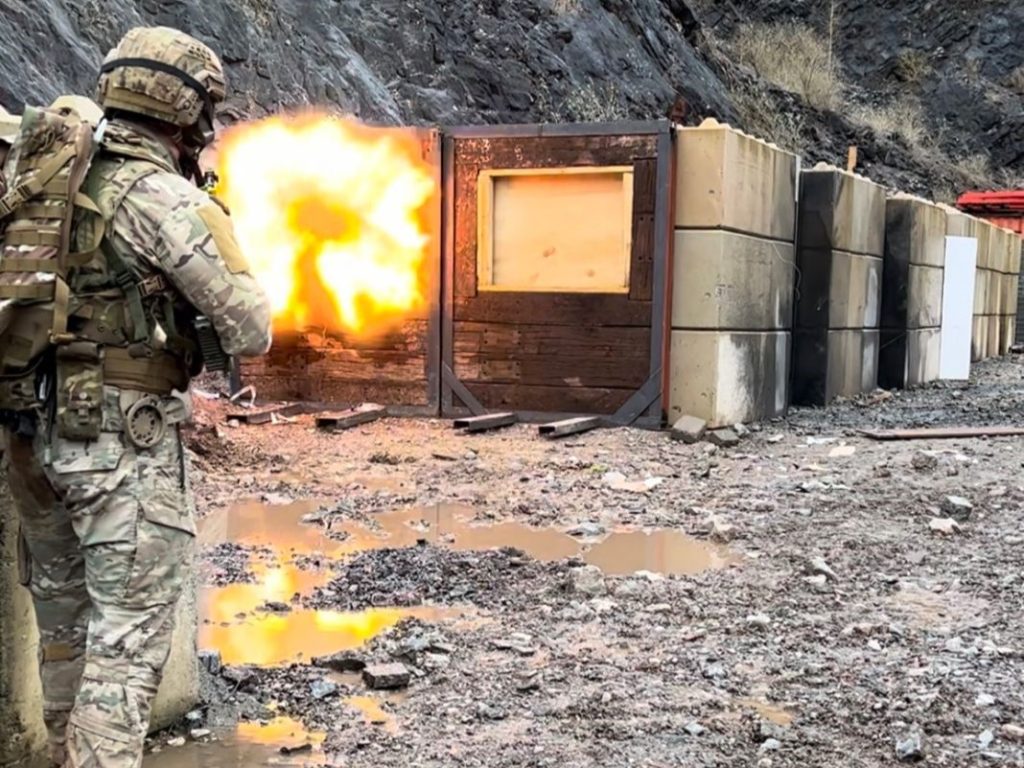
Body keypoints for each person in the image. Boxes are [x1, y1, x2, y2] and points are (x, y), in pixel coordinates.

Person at [0, 26, 271, 768]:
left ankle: (64, 755)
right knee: (127, 641)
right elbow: (251, 329)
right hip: (117, 438)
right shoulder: (154, 193)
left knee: (65, 625)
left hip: (30, 428)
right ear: (187, 110)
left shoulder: (38, 173)